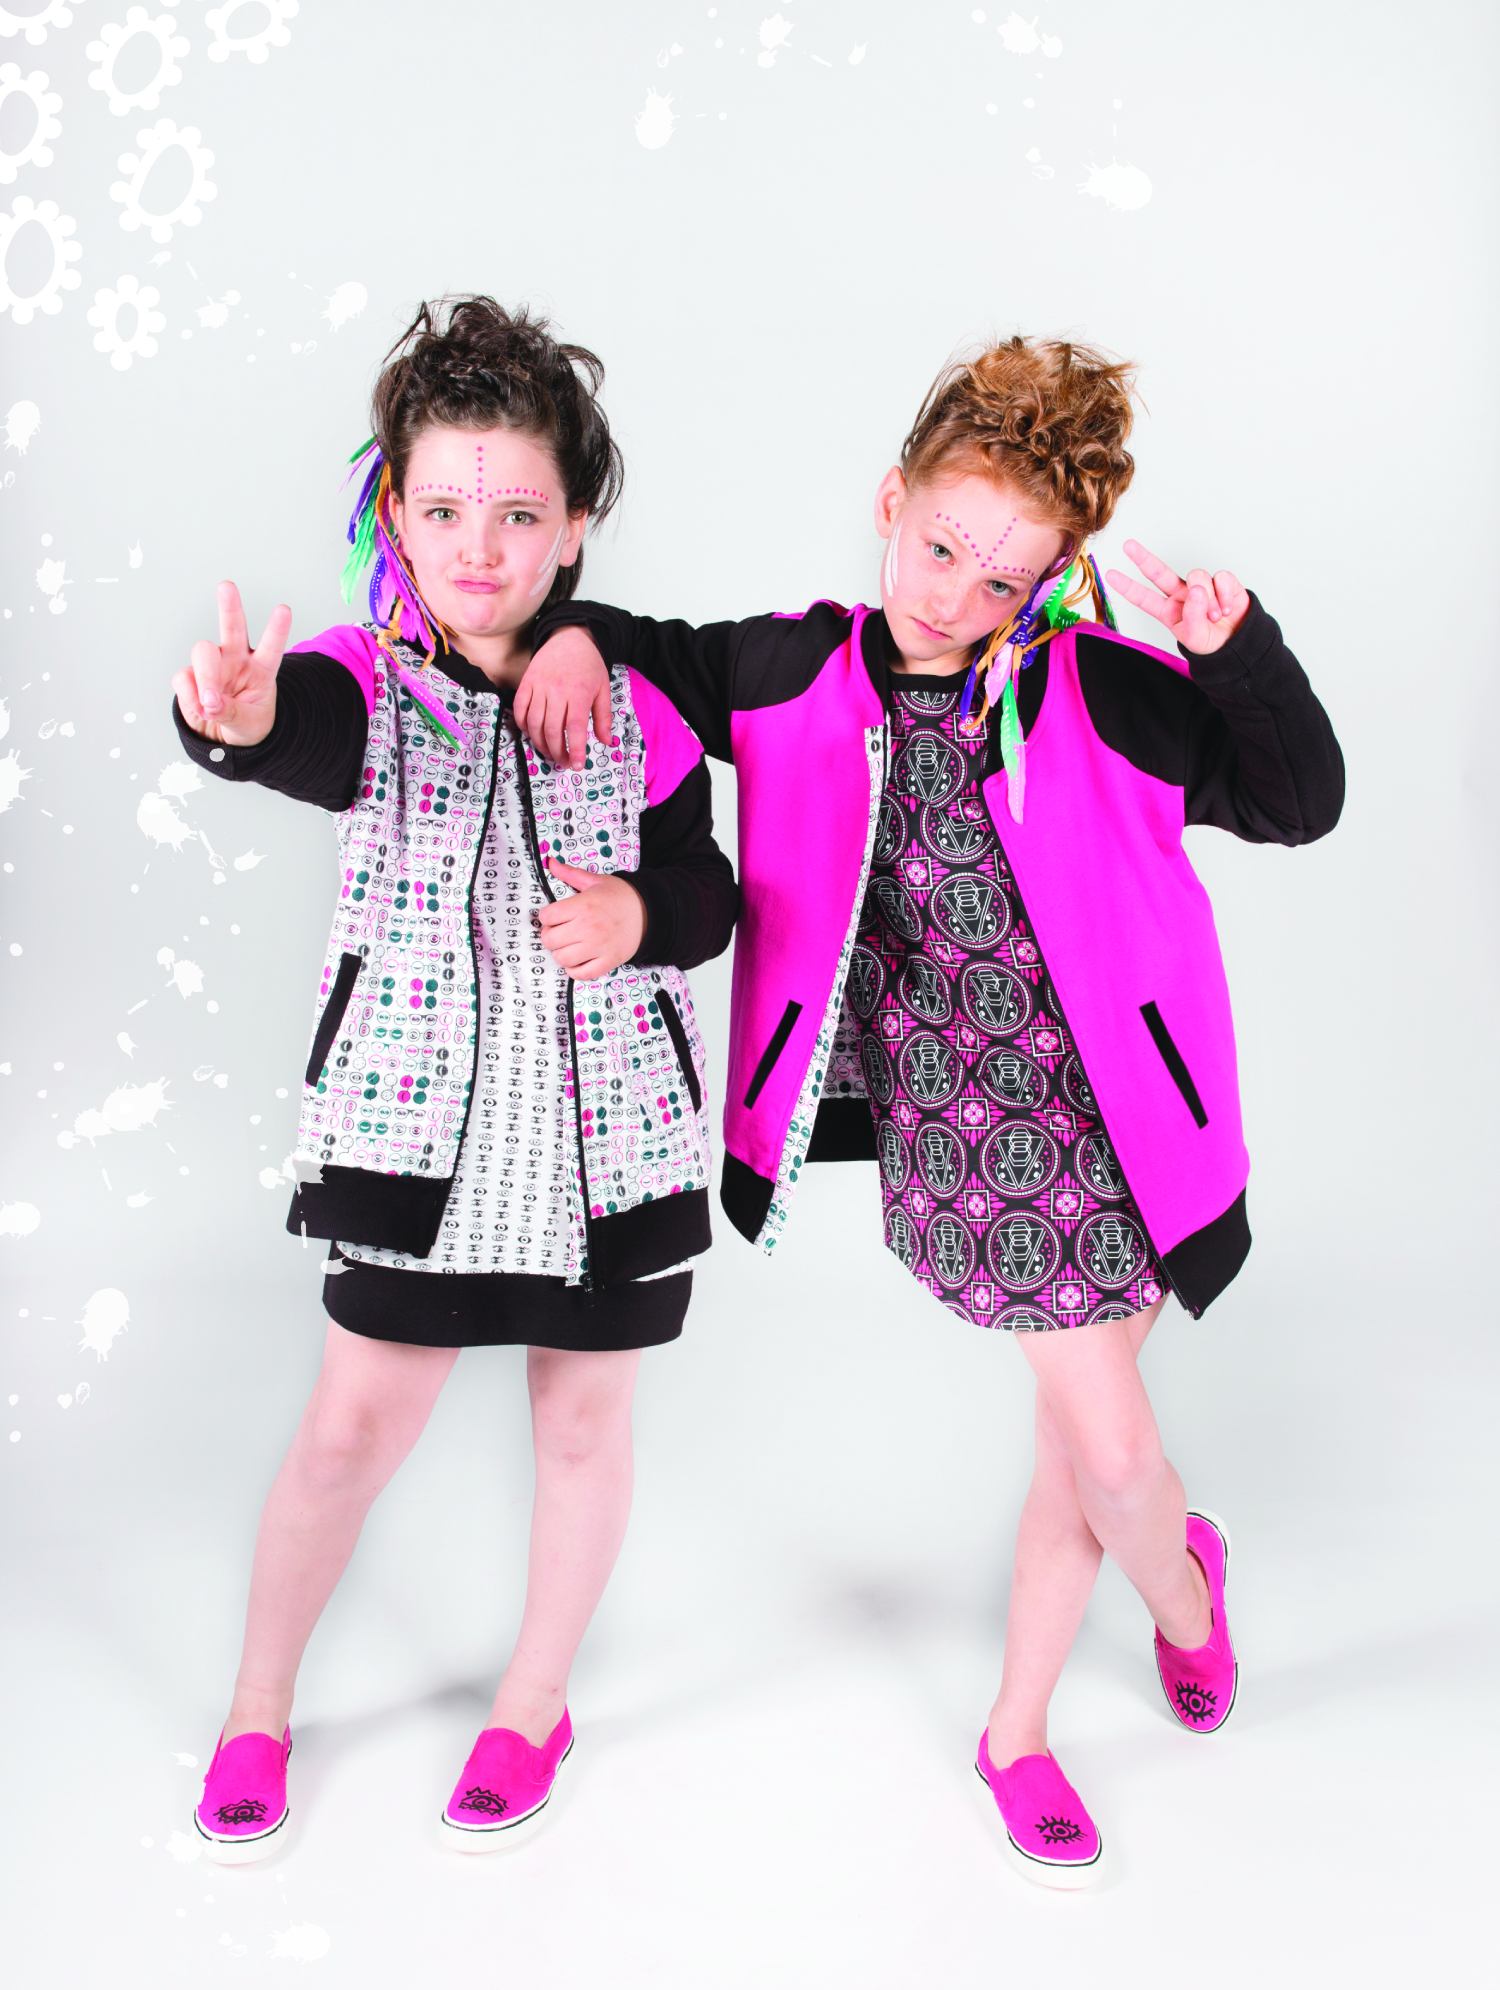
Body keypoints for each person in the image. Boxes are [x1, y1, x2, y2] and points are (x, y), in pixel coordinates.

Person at [514, 336, 1343, 1887]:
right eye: (941, 547)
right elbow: (649, 652)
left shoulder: (1102, 692)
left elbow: (1298, 802)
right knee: (1087, 1448)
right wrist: (566, 635)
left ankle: (1067, 1694)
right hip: (958, 1147)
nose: (956, 598)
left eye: (1002, 579)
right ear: (891, 502)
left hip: (1124, 1132)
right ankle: (1139, 1621)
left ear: (1053, 582)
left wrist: (1235, 653)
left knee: (1101, 1453)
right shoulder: (795, 670)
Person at [170, 297, 737, 1862]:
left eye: (517, 515)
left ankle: (532, 1704)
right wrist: (234, 718)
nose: (477, 548)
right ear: (395, 514)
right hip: (418, 1135)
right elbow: (296, 731)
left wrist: (639, 917)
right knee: (347, 1434)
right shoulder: (367, 683)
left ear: (575, 525)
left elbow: (709, 898)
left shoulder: (640, 706)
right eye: (440, 512)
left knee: (582, 1432)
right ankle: (258, 1705)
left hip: (607, 1142)